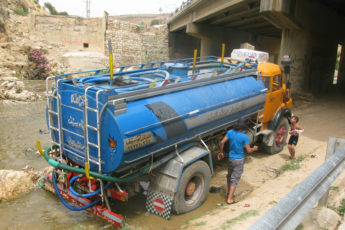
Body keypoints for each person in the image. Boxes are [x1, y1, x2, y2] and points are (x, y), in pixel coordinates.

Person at [217, 118, 258, 205]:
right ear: (243, 127)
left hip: (231, 159)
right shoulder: (244, 136)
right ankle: (230, 199)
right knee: (235, 179)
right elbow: (249, 150)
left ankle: (228, 192)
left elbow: (222, 142)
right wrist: (254, 148)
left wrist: (221, 152)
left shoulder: (230, 132)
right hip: (239, 160)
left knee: (229, 176)